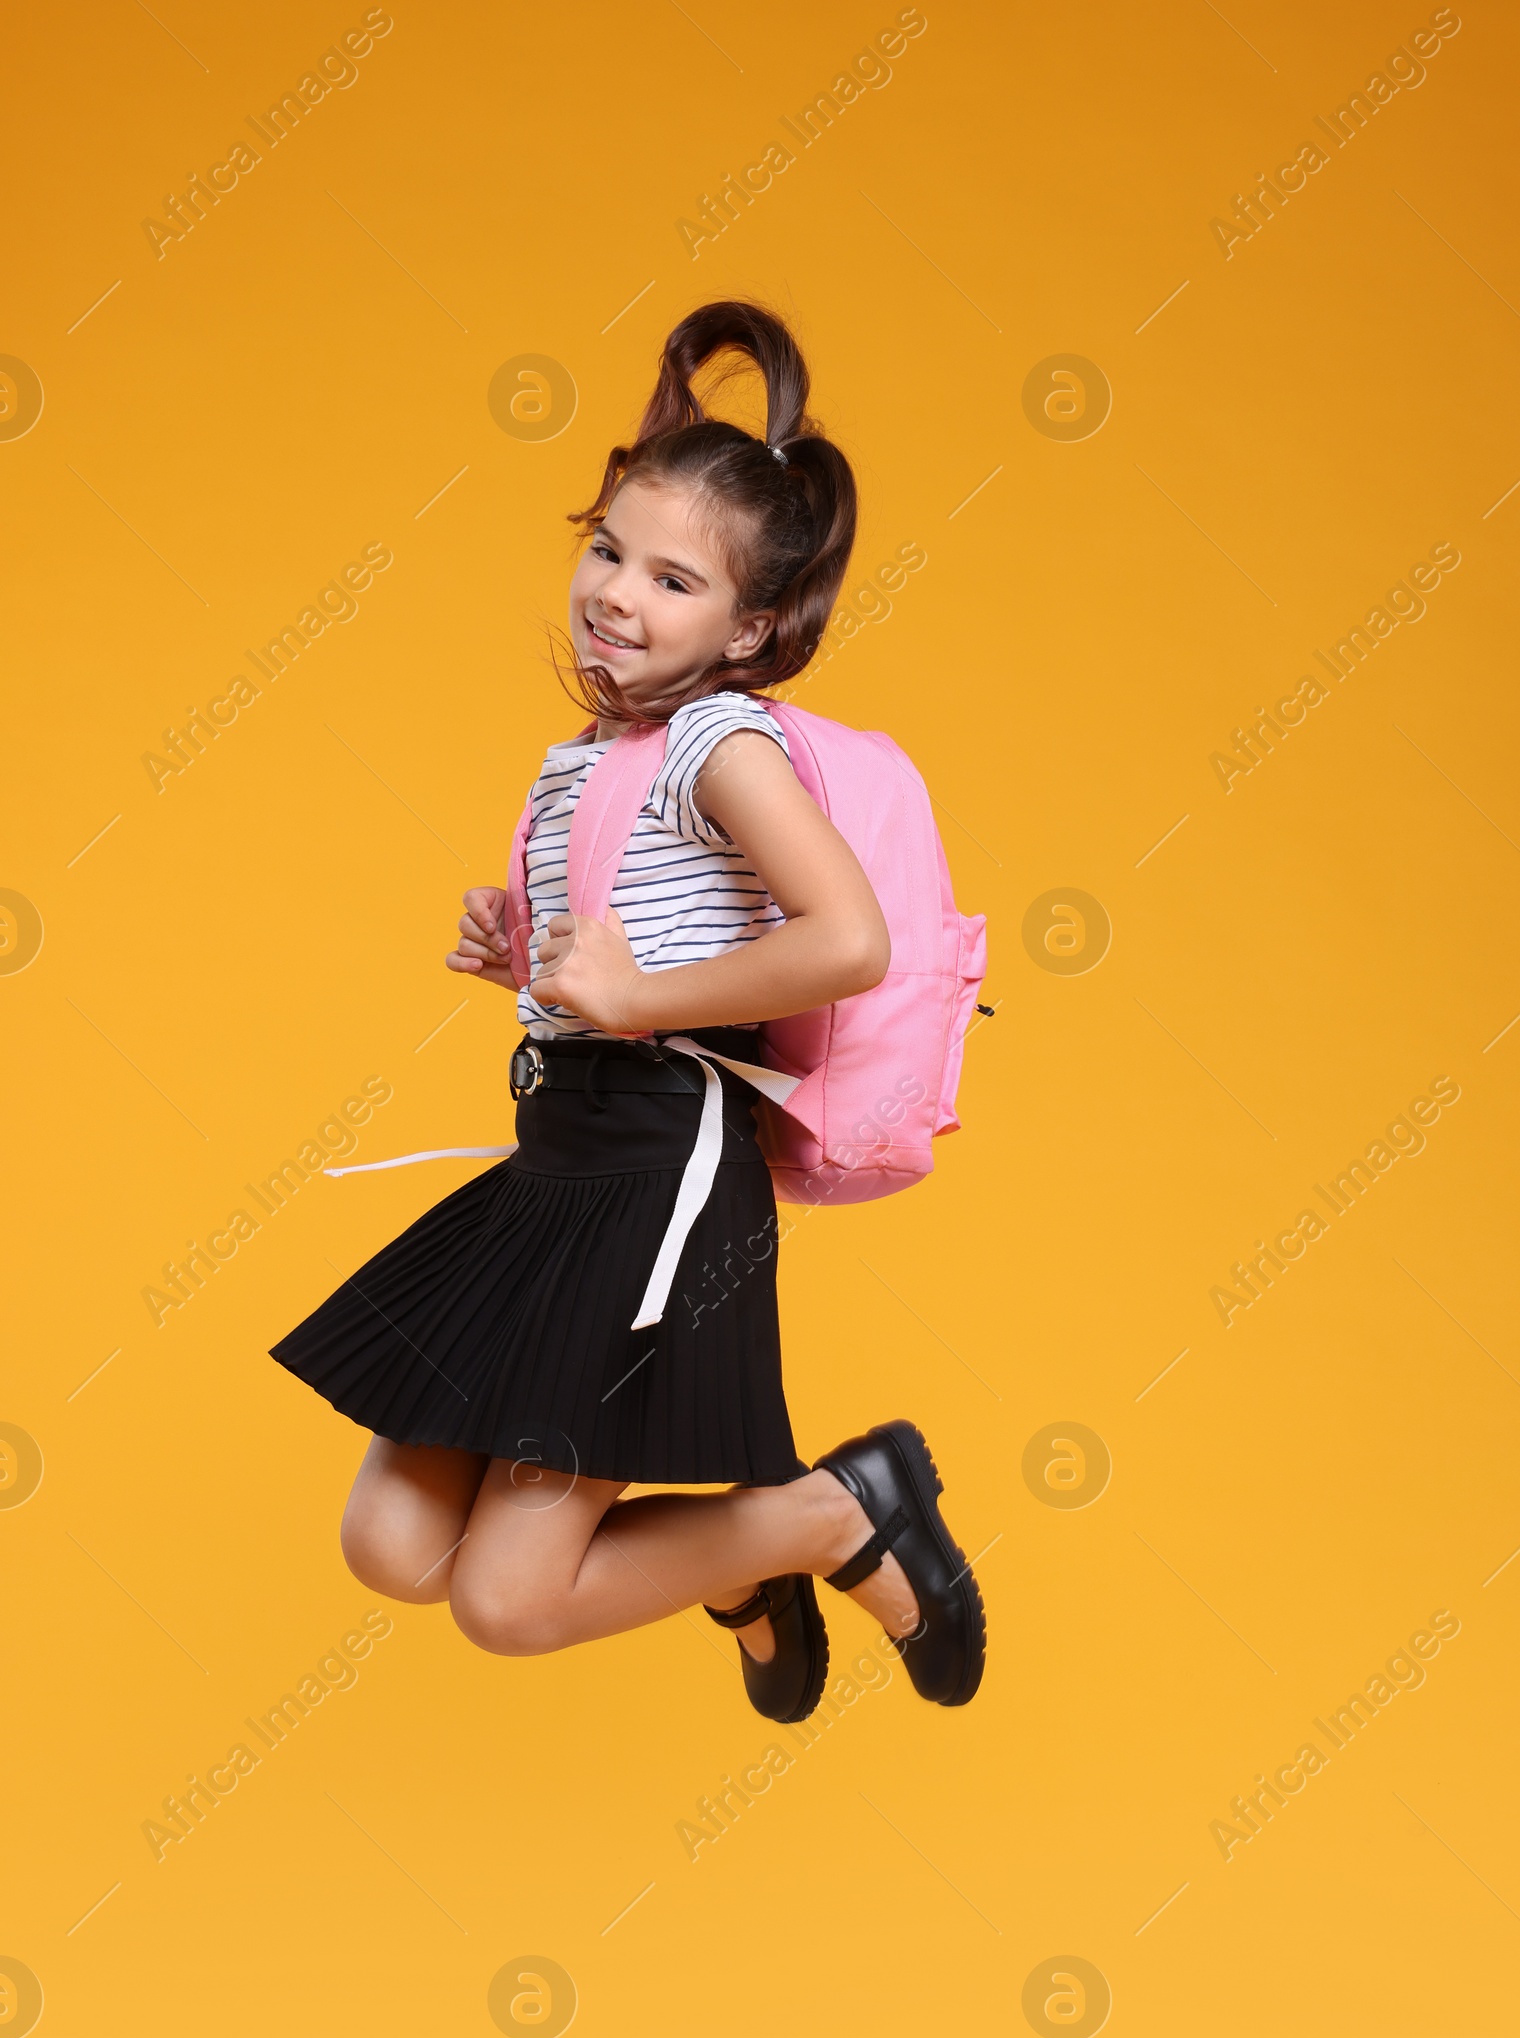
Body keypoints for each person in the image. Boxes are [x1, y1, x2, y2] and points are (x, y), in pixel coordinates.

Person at [270, 300, 984, 1720]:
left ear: (753, 623)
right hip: (566, 1153)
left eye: (673, 580)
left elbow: (848, 940)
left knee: (506, 1601)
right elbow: (622, 952)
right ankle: (744, 1558)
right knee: (391, 1544)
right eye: (609, 551)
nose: (617, 595)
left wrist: (638, 997)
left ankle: (839, 1512)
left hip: (663, 1171)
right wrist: (526, 965)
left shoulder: (719, 743)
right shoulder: (591, 751)